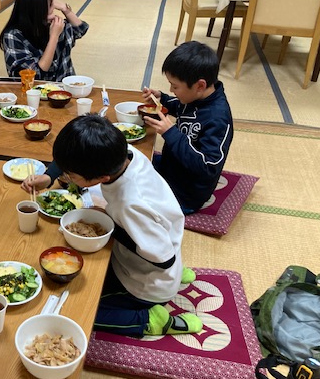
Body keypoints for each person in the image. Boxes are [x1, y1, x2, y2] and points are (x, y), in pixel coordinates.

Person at [24, 115, 202, 337]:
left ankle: (151, 321)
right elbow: (76, 153)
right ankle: (175, 276)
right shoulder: (123, 152)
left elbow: (164, 259)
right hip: (163, 236)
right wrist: (49, 177)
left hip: (147, 284)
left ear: (102, 177)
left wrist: (111, 227)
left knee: (72, 310)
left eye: (71, 175)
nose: (67, 176)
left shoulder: (131, 203)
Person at [142, 41, 233, 213]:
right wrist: (162, 98)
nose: (172, 89)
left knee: (131, 199)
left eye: (175, 86)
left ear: (200, 85)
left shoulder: (218, 118)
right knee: (132, 159)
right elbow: (180, 105)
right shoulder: (195, 97)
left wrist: (171, 134)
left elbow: (208, 168)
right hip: (171, 168)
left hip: (185, 193)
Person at [0, 0, 88, 81]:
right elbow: (34, 75)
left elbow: (81, 29)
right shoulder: (13, 35)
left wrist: (65, 9)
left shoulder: (54, 24)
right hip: (36, 88)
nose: (55, 6)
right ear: (38, 10)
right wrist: (54, 37)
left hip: (65, 86)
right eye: (50, 3)